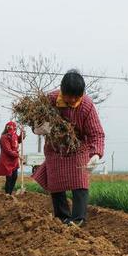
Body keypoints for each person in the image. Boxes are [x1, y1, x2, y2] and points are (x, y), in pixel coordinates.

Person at [32, 70, 105, 227]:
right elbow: (36, 121)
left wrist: (96, 154)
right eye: (68, 96)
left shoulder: (86, 106)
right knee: (56, 183)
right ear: (62, 90)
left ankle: (78, 219)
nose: (72, 100)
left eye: (76, 97)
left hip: (78, 147)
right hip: (55, 148)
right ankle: (62, 218)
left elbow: (97, 133)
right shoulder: (49, 100)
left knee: (80, 181)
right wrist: (40, 128)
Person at [0, 121, 24, 195]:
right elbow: (8, 150)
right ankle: (7, 193)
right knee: (9, 177)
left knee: (15, 176)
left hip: (14, 160)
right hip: (7, 160)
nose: (14, 129)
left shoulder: (14, 136)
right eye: (14, 127)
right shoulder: (4, 137)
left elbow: (19, 140)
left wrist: (23, 132)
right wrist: (18, 156)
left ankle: (10, 192)